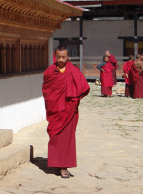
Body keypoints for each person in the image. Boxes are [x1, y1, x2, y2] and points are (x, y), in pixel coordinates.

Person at [42, 44, 90, 178]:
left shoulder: (73, 70)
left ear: (68, 56)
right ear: (55, 56)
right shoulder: (50, 72)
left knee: (67, 139)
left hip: (69, 111)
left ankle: (64, 167)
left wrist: (75, 99)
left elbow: (84, 87)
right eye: (58, 57)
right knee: (56, 137)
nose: (61, 60)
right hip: (56, 111)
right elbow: (46, 92)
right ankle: (56, 163)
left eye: (63, 57)